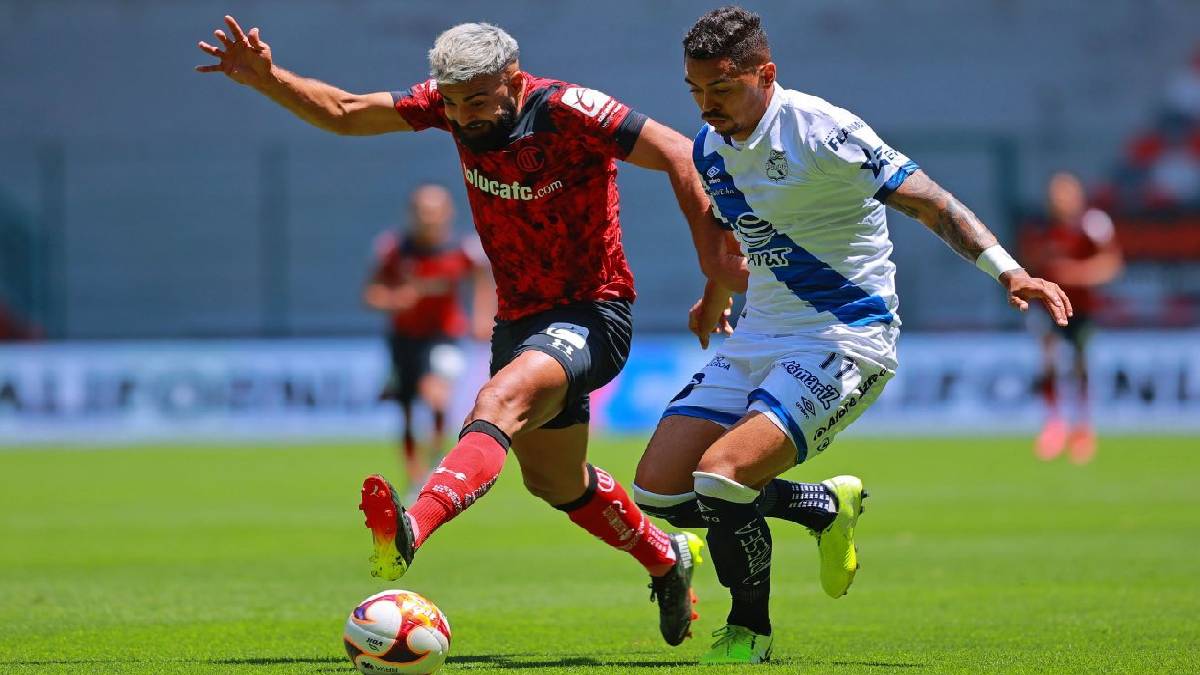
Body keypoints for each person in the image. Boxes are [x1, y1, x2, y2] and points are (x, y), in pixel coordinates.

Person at [196, 16, 746, 646]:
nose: (461, 115)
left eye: (477, 101)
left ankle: (411, 528)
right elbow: (347, 111)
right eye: (452, 102)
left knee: (497, 402)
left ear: (513, 81)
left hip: (592, 309)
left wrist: (714, 267)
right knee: (555, 482)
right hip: (519, 320)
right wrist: (268, 79)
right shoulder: (448, 102)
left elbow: (680, 151)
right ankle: (666, 558)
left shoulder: (571, 109)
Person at [630, 6, 1073, 664]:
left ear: (765, 74)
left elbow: (930, 202)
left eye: (720, 88)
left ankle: (750, 631)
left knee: (721, 478)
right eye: (694, 91)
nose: (706, 105)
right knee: (660, 490)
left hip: (846, 337)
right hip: (759, 336)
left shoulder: (823, 131)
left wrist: (1009, 271)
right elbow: (740, 238)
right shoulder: (710, 148)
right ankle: (820, 505)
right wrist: (713, 298)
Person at [364, 184, 494, 498]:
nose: (429, 219)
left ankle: (436, 456)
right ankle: (414, 475)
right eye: (422, 212)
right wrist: (395, 300)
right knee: (407, 410)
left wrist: (482, 316)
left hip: (445, 334)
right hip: (405, 338)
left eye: (434, 212)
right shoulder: (395, 250)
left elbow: (483, 280)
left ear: (447, 214)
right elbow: (372, 293)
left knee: (436, 396)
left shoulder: (462, 249)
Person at [1021, 172, 1123, 464]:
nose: (1058, 200)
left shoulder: (1094, 224)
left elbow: (1111, 264)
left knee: (1079, 363)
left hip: (1082, 307)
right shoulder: (1040, 227)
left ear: (1078, 196)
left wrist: (1076, 275)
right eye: (1054, 195)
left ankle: (1082, 427)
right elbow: (1030, 261)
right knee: (1049, 359)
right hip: (1047, 306)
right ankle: (1053, 425)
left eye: (1064, 194)